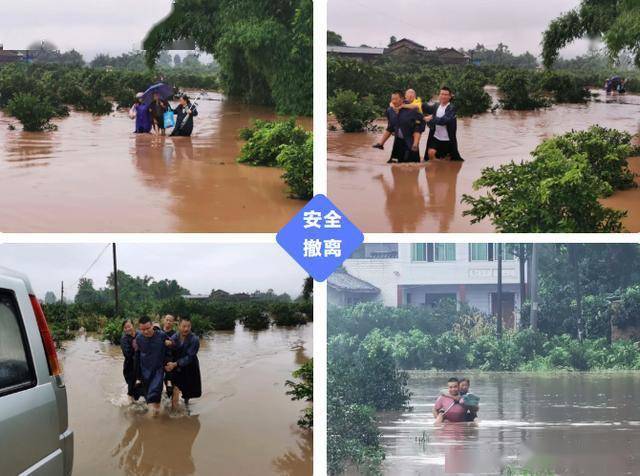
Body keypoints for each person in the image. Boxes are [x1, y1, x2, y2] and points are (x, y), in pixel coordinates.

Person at [135, 316, 171, 414]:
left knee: (155, 397)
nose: (146, 332)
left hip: (158, 372)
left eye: (148, 328)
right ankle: (151, 418)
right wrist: (137, 376)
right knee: (148, 398)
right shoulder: (138, 338)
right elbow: (137, 357)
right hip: (145, 372)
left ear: (152, 326)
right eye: (142, 329)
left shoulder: (162, 336)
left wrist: (168, 363)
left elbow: (171, 347)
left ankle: (153, 421)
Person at [165, 316, 202, 410]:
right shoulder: (175, 337)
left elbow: (190, 357)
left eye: (188, 326)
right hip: (177, 368)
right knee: (175, 387)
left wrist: (174, 364)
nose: (186, 329)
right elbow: (169, 349)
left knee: (187, 391)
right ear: (179, 326)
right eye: (184, 326)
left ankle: (186, 405)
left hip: (190, 367)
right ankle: (174, 409)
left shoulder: (195, 340)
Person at [379, 90, 425, 163]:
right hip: (398, 140)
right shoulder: (390, 110)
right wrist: (393, 130)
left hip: (410, 140)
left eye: (396, 99)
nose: (393, 101)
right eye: (392, 99)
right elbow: (390, 123)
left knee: (413, 165)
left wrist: (417, 134)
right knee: (397, 164)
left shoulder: (413, 109)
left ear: (402, 99)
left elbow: (422, 121)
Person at [424, 86, 463, 161]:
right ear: (439, 95)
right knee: (430, 154)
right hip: (435, 137)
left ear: (450, 96)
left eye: (446, 94)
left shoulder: (451, 108)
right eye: (442, 94)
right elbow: (425, 109)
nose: (443, 96)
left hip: (447, 140)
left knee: (448, 161)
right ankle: (435, 168)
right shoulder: (436, 106)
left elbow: (444, 121)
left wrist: (430, 118)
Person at [120, 320, 140, 403]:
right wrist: (135, 347)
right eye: (125, 327)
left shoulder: (139, 334)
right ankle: (130, 408)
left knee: (140, 386)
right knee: (131, 388)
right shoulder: (124, 339)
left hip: (141, 365)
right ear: (124, 329)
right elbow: (127, 354)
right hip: (130, 367)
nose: (128, 329)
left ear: (133, 325)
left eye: (129, 326)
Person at [162, 314, 177, 398]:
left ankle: (169, 402)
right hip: (158, 360)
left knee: (170, 385)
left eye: (170, 320)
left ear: (173, 323)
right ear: (163, 320)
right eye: (167, 320)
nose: (168, 322)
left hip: (170, 361)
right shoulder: (158, 331)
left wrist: (171, 343)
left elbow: (177, 347)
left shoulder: (175, 334)